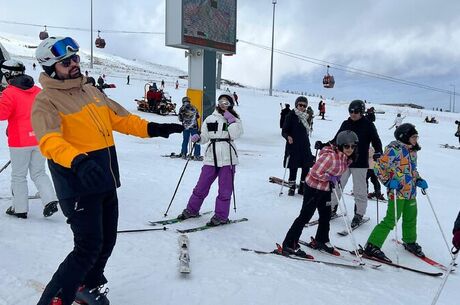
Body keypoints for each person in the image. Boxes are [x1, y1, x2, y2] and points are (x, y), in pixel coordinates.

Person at [32, 36, 184, 305]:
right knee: (87, 248)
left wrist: (154, 129)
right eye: (65, 62)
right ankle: (54, 299)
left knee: (106, 242)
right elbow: (50, 141)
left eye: (75, 58)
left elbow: (121, 119)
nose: (74, 64)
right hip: (78, 183)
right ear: (50, 67)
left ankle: (86, 286)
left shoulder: (91, 91)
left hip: (104, 180)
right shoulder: (46, 101)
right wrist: (78, 160)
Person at [281, 131, 359, 256]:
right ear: (340, 145)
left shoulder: (345, 158)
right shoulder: (330, 157)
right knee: (305, 216)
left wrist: (335, 179)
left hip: (326, 189)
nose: (350, 149)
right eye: (346, 146)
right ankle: (289, 244)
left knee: (325, 215)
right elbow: (315, 172)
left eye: (353, 146)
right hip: (313, 188)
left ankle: (321, 240)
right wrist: (329, 177)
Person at [0, 59, 58, 219]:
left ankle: (19, 208)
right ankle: (50, 200)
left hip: (19, 142)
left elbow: (2, 114)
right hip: (38, 138)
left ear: (8, 74)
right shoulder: (37, 90)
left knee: (19, 175)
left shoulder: (9, 92)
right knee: (39, 172)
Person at [177, 94, 243, 226]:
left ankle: (221, 216)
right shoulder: (210, 119)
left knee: (225, 190)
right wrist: (199, 138)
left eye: (226, 102)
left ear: (230, 105)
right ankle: (192, 209)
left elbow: (236, 134)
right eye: (221, 101)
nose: (223, 104)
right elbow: (205, 136)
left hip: (227, 157)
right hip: (211, 157)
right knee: (201, 186)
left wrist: (230, 120)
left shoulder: (234, 119)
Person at [364, 123, 427, 262]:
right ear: (404, 137)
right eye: (413, 137)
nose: (416, 139)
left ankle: (409, 241)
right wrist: (387, 182)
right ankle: (372, 245)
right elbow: (379, 168)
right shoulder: (393, 150)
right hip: (397, 192)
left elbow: (412, 170)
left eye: (417, 136)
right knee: (391, 219)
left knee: (411, 217)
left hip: (410, 192)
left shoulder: (413, 151)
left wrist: (418, 179)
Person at [323, 100, 383, 228]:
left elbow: (376, 141)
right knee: (336, 186)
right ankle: (331, 208)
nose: (353, 114)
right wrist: (324, 145)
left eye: (356, 111)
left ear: (361, 112)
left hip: (360, 162)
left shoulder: (368, 125)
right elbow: (336, 139)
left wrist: (378, 151)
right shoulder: (346, 123)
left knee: (360, 189)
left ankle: (359, 214)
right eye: (351, 111)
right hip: (343, 161)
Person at [282, 96, 314, 196]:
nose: (302, 107)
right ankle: (291, 188)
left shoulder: (306, 116)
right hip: (293, 146)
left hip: (304, 146)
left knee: (306, 166)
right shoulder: (290, 116)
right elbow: (284, 131)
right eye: (300, 105)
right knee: (293, 166)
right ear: (296, 105)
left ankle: (302, 188)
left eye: (304, 106)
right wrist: (288, 137)